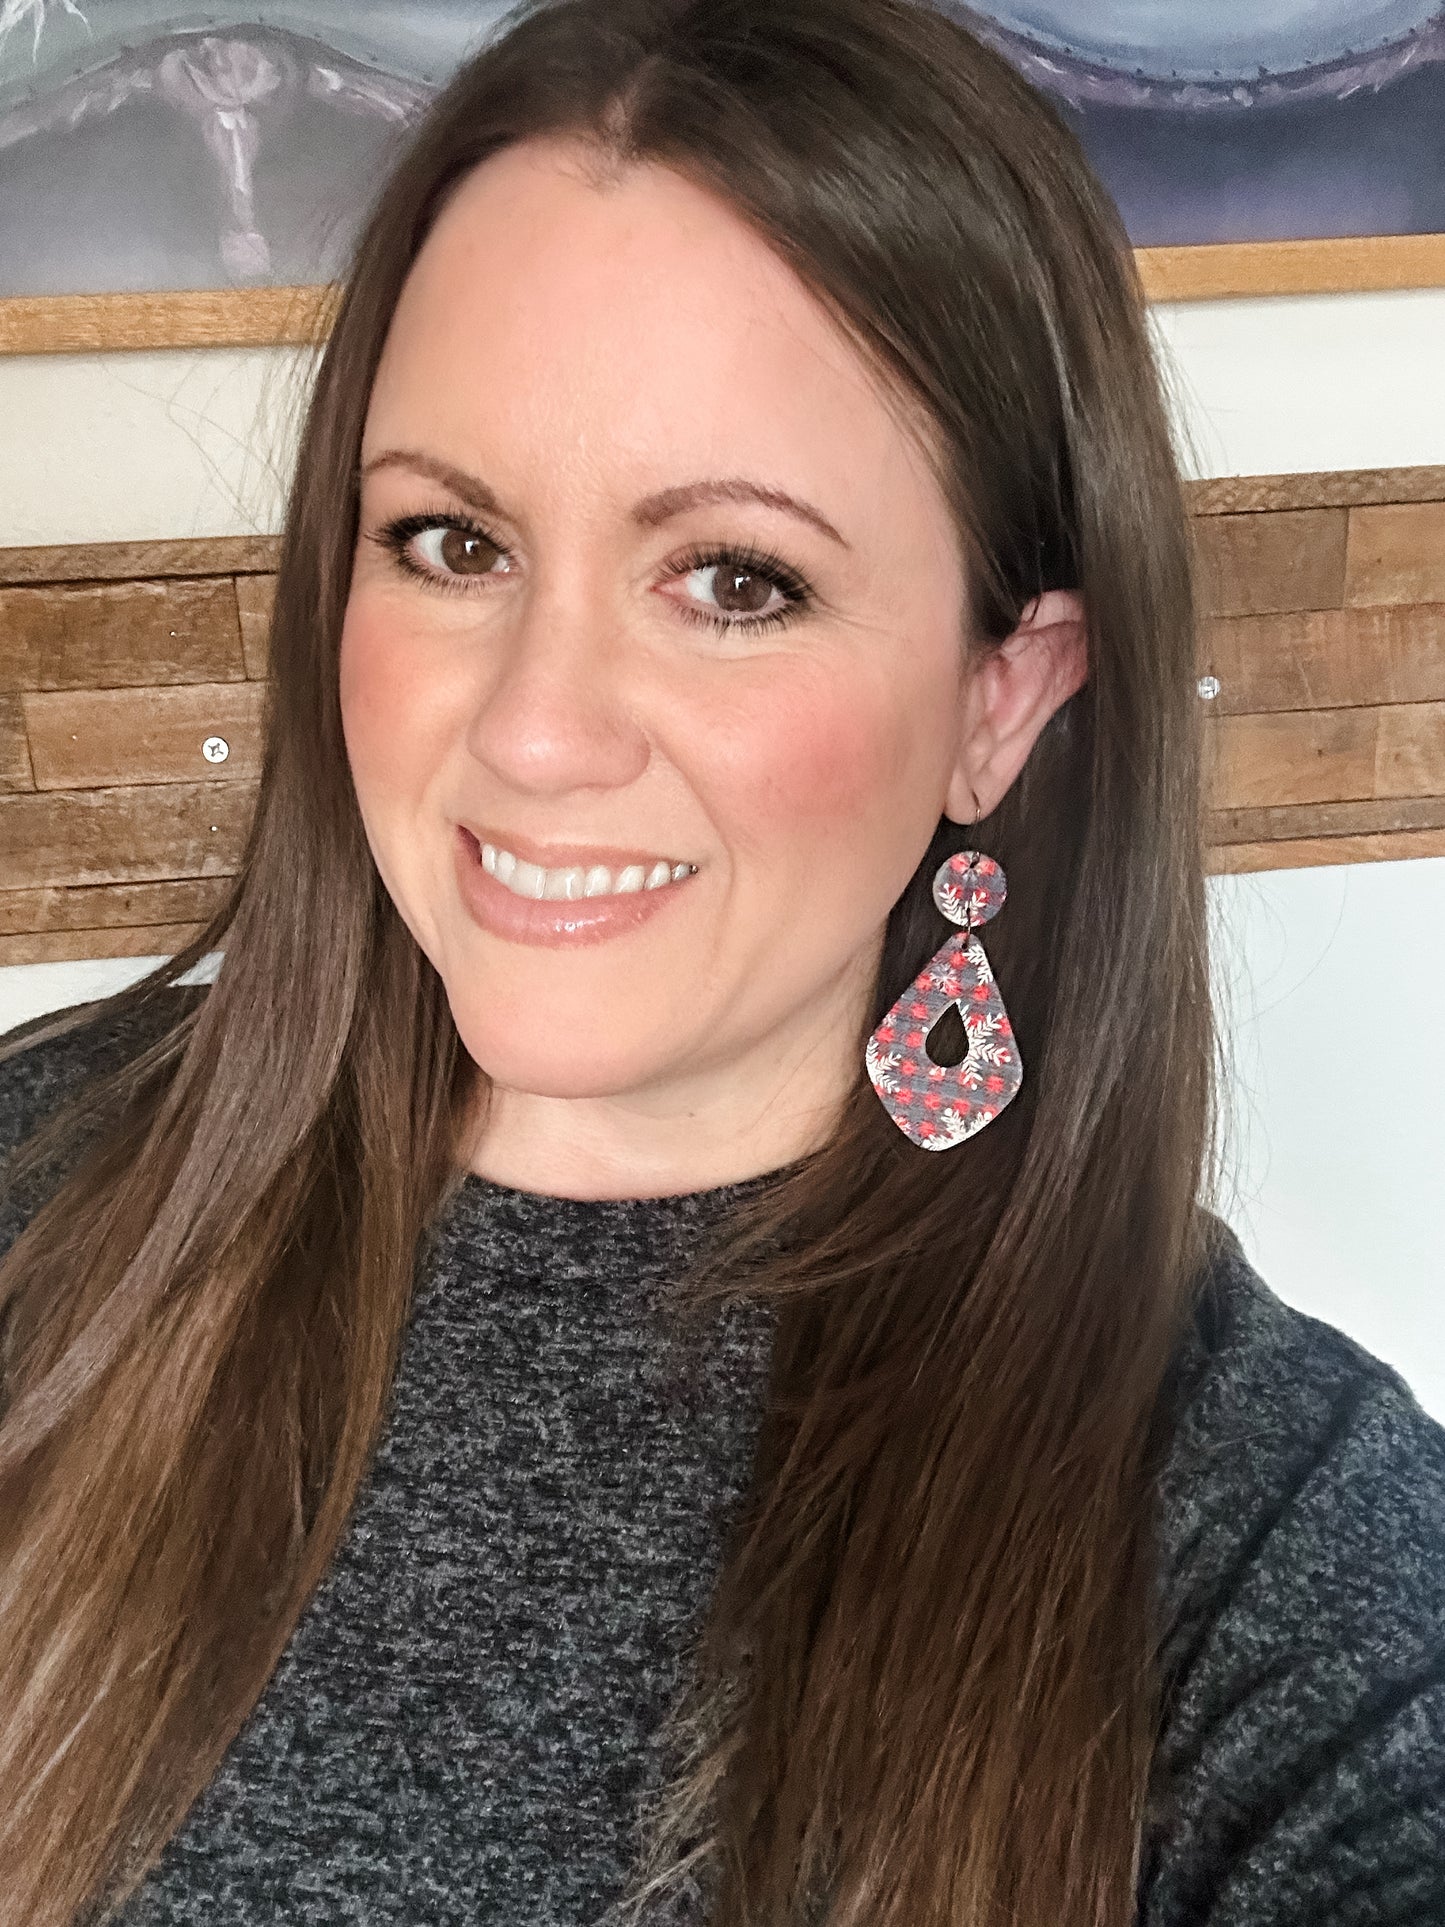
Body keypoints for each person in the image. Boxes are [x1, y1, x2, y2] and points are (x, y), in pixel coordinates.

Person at [1, 0, 1441, 1922]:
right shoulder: (43, 1188)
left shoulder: (1254, 1526)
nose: (534, 728)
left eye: (734, 580)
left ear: (997, 699)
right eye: (449, 541)